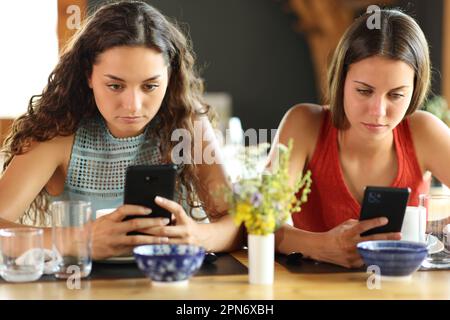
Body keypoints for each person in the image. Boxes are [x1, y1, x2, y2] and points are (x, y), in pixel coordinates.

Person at [0, 1, 243, 260]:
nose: (133, 106)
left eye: (149, 86)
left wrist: (196, 235)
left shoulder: (187, 124)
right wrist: (81, 240)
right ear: (88, 75)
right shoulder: (58, 134)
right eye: (115, 86)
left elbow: (238, 224)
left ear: (169, 77)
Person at [270, 9, 450, 268]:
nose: (378, 111)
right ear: (341, 80)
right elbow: (256, 223)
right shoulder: (304, 125)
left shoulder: (423, 131)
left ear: (415, 89)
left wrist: (437, 232)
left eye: (396, 95)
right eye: (364, 91)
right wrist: (323, 247)